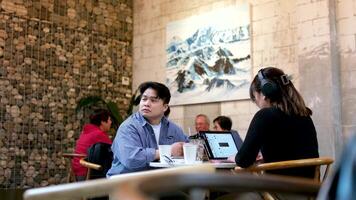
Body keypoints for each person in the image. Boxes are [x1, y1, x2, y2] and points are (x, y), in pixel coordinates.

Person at [231, 67, 319, 179]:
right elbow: (290, 152)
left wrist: (234, 157)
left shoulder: (265, 115)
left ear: (264, 93)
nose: (257, 103)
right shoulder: (304, 115)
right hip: (309, 190)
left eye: (255, 98)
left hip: (279, 191)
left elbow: (243, 160)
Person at [107, 81, 188, 176]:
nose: (146, 104)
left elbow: (187, 146)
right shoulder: (128, 127)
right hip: (126, 183)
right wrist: (167, 151)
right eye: (144, 99)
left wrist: (193, 147)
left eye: (153, 100)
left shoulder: (173, 129)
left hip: (157, 183)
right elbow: (131, 159)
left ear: (165, 107)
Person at [72, 109, 112, 181]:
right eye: (109, 120)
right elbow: (114, 151)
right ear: (103, 122)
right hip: (87, 173)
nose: (111, 122)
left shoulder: (87, 131)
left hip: (77, 172)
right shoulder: (98, 134)